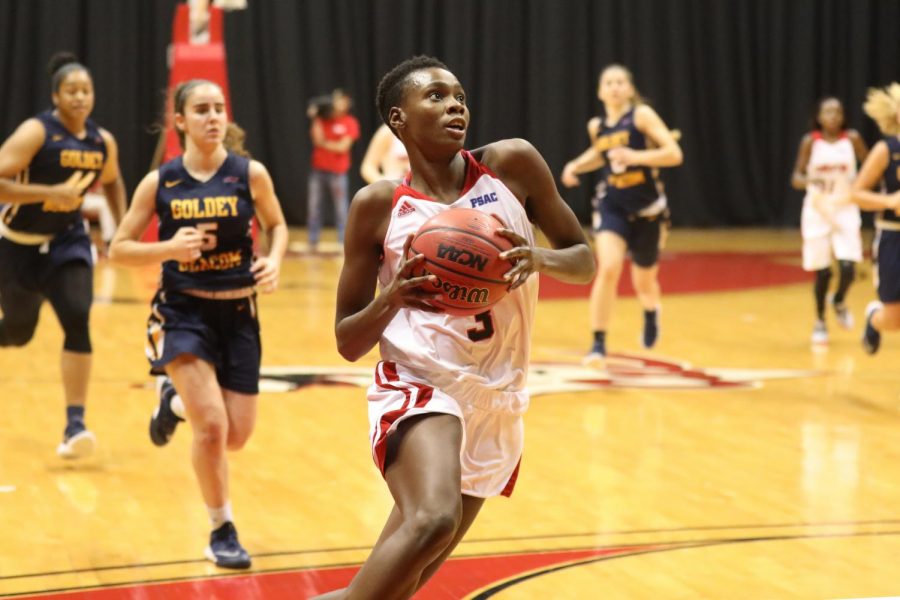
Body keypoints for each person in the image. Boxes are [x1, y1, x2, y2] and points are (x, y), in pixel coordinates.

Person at [321, 56, 595, 599]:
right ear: (398, 119)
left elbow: (583, 259)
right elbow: (347, 340)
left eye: (461, 97)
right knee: (432, 519)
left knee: (399, 586)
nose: (455, 106)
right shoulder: (378, 206)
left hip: (497, 395)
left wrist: (539, 259)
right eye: (437, 97)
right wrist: (392, 296)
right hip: (420, 382)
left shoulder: (512, 165)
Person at [109, 79, 287, 569]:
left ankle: (171, 399)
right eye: (202, 109)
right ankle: (220, 528)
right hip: (182, 312)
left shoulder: (250, 174)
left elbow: (277, 224)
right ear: (180, 122)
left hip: (239, 314)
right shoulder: (160, 181)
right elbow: (117, 248)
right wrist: (168, 248)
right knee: (211, 428)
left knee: (236, 435)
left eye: (220, 108)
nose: (214, 117)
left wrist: (274, 259)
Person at [0, 52, 126, 458]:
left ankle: (75, 425)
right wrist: (47, 193)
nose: (79, 97)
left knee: (76, 315)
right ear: (56, 96)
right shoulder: (36, 132)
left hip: (68, 243)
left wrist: (120, 230)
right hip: (17, 245)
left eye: (86, 90)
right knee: (18, 332)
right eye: (71, 90)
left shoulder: (100, 141)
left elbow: (113, 181)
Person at [561, 64, 682, 368]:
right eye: (608, 82)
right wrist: (574, 165)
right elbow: (599, 154)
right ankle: (599, 342)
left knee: (644, 282)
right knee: (609, 268)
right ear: (601, 91)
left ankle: (652, 311)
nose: (614, 87)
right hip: (612, 205)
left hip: (648, 210)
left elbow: (673, 153)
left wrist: (636, 156)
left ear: (629, 89)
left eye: (620, 82)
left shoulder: (642, 116)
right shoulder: (597, 125)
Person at [790, 97, 869, 346]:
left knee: (848, 267)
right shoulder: (810, 142)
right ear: (819, 116)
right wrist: (809, 182)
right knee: (822, 271)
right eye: (828, 112)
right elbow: (796, 177)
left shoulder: (852, 139)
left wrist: (860, 186)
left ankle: (838, 301)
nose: (833, 116)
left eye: (837, 112)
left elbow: (870, 168)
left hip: (845, 206)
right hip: (818, 208)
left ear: (843, 116)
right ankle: (820, 321)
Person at [849, 82, 900, 354]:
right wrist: (889, 201)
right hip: (893, 236)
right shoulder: (886, 150)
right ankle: (874, 318)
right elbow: (855, 194)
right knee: (893, 320)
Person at [307, 88, 360, 253]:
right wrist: (315, 117)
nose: (337, 103)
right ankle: (313, 241)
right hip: (318, 170)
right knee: (314, 207)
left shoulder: (350, 122)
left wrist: (326, 144)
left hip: (338, 172)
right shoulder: (323, 120)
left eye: (341, 100)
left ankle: (342, 242)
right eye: (335, 99)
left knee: (340, 209)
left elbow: (343, 147)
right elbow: (317, 140)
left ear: (347, 103)